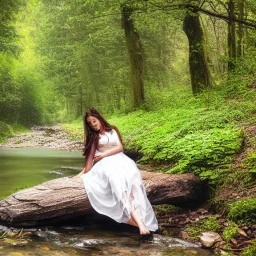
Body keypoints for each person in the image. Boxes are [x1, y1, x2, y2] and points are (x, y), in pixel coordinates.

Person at [74, 108, 158, 236]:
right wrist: (82, 174)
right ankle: (141, 225)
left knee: (132, 185)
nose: (93, 125)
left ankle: (140, 222)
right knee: (119, 186)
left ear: (100, 118)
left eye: (94, 121)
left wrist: (103, 154)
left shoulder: (112, 130)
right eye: (90, 123)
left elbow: (120, 148)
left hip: (122, 161)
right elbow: (90, 160)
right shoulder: (93, 137)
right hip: (106, 166)